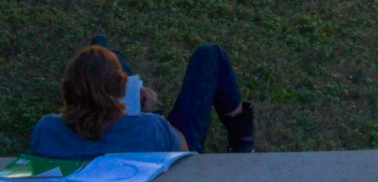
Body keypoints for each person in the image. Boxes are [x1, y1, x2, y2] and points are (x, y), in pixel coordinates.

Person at [31, 39, 255, 159]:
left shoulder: (46, 131)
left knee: (101, 44)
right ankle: (242, 141)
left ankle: (108, 57)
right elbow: (187, 150)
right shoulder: (151, 127)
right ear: (120, 91)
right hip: (160, 144)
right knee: (209, 55)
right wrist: (151, 113)